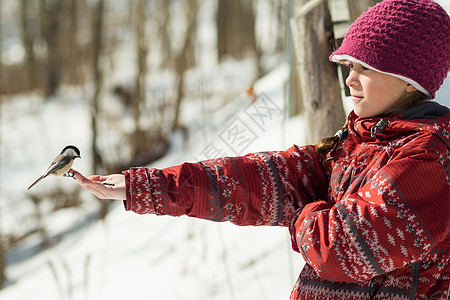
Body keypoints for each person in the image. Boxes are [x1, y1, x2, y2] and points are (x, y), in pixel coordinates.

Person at [71, 0, 450, 298]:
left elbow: (341, 249)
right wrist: (142, 186)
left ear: (408, 79)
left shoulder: (430, 161)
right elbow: (248, 181)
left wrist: (304, 212)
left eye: (366, 67)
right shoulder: (359, 144)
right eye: (348, 64)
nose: (349, 78)